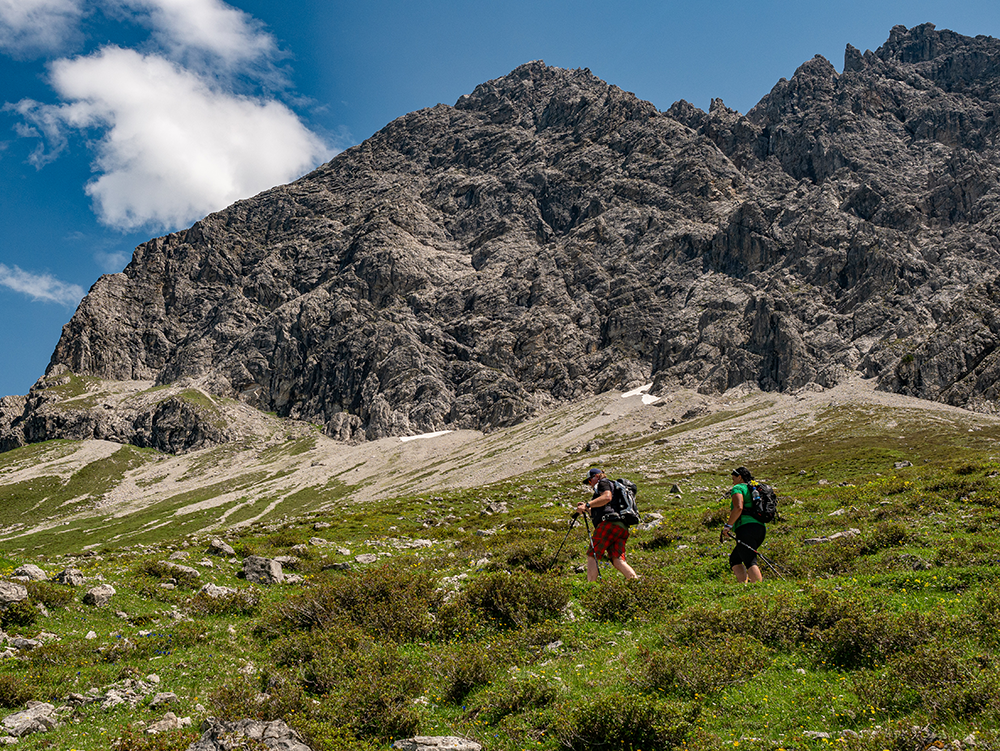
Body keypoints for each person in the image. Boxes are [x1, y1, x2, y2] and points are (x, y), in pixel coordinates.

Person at [575, 468, 637, 581]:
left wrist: (588, 504)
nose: (590, 484)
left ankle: (590, 587)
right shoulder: (614, 487)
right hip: (621, 526)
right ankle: (635, 582)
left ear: (597, 476)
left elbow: (607, 497)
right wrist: (587, 508)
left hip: (609, 524)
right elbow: (602, 509)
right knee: (617, 559)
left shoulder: (603, 483)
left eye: (590, 480)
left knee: (592, 554)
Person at [722, 466, 766, 583]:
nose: (732, 481)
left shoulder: (738, 488)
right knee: (735, 559)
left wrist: (728, 526)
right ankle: (743, 585)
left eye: (733, 478)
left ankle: (758, 589)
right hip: (760, 528)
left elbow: (738, 507)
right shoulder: (754, 489)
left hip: (746, 528)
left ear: (739, 477)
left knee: (750, 560)